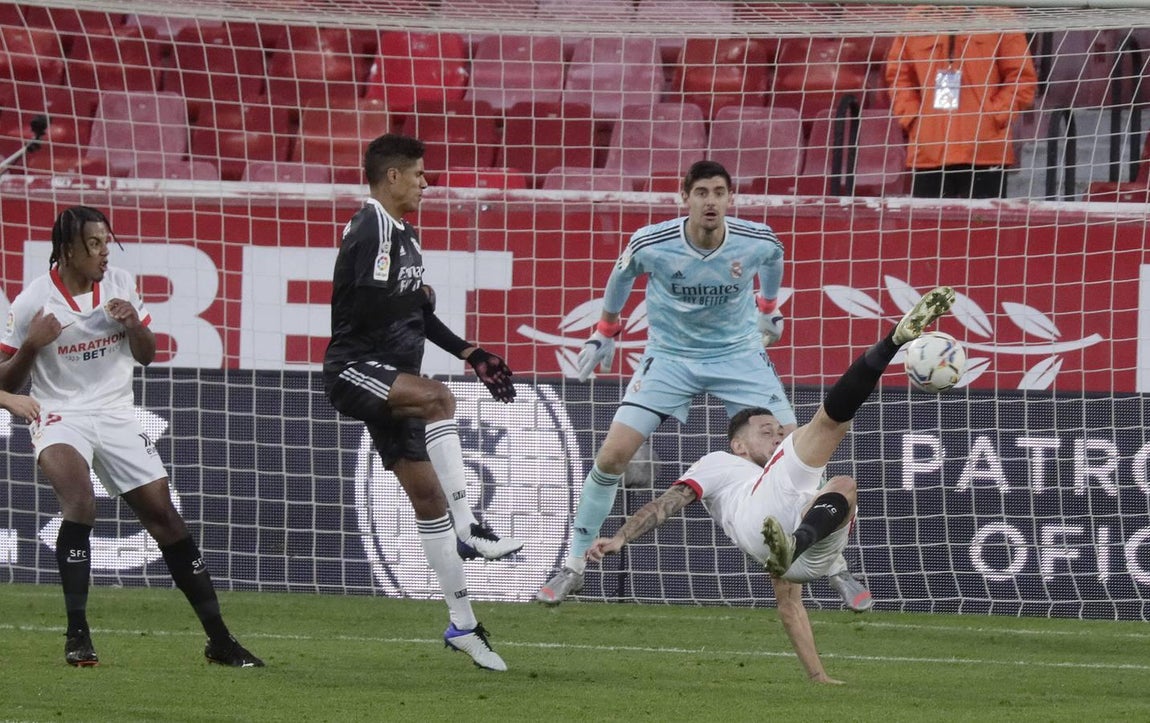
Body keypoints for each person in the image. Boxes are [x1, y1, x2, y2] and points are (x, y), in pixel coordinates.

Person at [536, 160, 870, 612]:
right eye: (701, 193)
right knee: (613, 455)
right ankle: (573, 565)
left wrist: (769, 307)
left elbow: (774, 258)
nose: (710, 200)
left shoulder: (755, 240)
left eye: (718, 192)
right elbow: (621, 276)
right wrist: (605, 330)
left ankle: (835, 567)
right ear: (684, 197)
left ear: (730, 199)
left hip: (738, 357)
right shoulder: (653, 243)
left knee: (800, 450)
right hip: (669, 359)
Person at [588, 286, 956, 683]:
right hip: (764, 521)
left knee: (843, 485)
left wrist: (818, 676)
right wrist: (622, 536)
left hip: (800, 554)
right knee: (829, 425)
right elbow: (670, 501)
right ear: (739, 444)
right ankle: (893, 341)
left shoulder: (783, 477)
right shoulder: (721, 464)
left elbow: (789, 608)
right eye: (767, 431)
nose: (778, 435)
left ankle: (823, 558)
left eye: (778, 430)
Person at [0, 206, 263, 667]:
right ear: (67, 249)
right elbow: (6, 382)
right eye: (94, 244)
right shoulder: (30, 304)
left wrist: (134, 325)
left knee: (165, 519)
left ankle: (220, 641)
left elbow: (147, 356)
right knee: (80, 504)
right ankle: (77, 635)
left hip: (118, 413)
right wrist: (31, 344)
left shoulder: (120, 284)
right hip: (60, 413)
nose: (105, 253)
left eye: (107, 242)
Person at [323, 133, 520, 671]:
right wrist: (413, 296)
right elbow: (363, 303)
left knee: (427, 498)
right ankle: (470, 528)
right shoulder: (371, 226)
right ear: (392, 177)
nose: (425, 182)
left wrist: (469, 349)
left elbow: (413, 314)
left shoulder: (405, 234)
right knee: (440, 400)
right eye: (418, 174)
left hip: (393, 377)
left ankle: (463, 625)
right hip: (355, 370)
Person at [885, 8, 1037, 199]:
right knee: (927, 227)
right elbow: (899, 76)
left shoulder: (999, 16)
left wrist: (994, 116)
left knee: (982, 226)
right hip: (929, 150)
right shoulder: (915, 18)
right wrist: (914, 119)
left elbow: (1022, 77)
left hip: (984, 150)